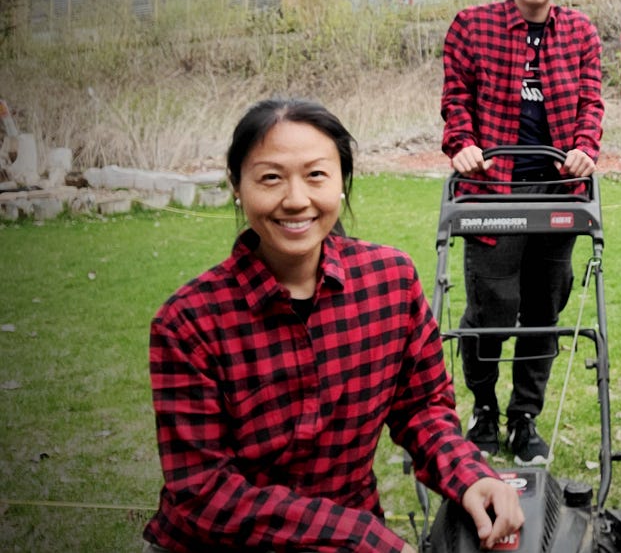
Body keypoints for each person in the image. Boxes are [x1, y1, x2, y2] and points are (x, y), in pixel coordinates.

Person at [143, 98, 523, 553]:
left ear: (342, 182)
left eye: (316, 175)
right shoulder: (188, 323)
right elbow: (205, 492)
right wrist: (361, 538)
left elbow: (422, 408)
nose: (296, 199)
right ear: (236, 187)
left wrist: (470, 476)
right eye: (270, 178)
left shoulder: (390, 281)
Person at [440, 0, 604, 466]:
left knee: (545, 305)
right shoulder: (472, 26)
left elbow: (591, 104)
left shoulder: (580, 32)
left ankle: (524, 417)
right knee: (493, 307)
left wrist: (585, 146)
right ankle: (483, 408)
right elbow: (455, 96)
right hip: (492, 188)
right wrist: (461, 142)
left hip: (558, 187)